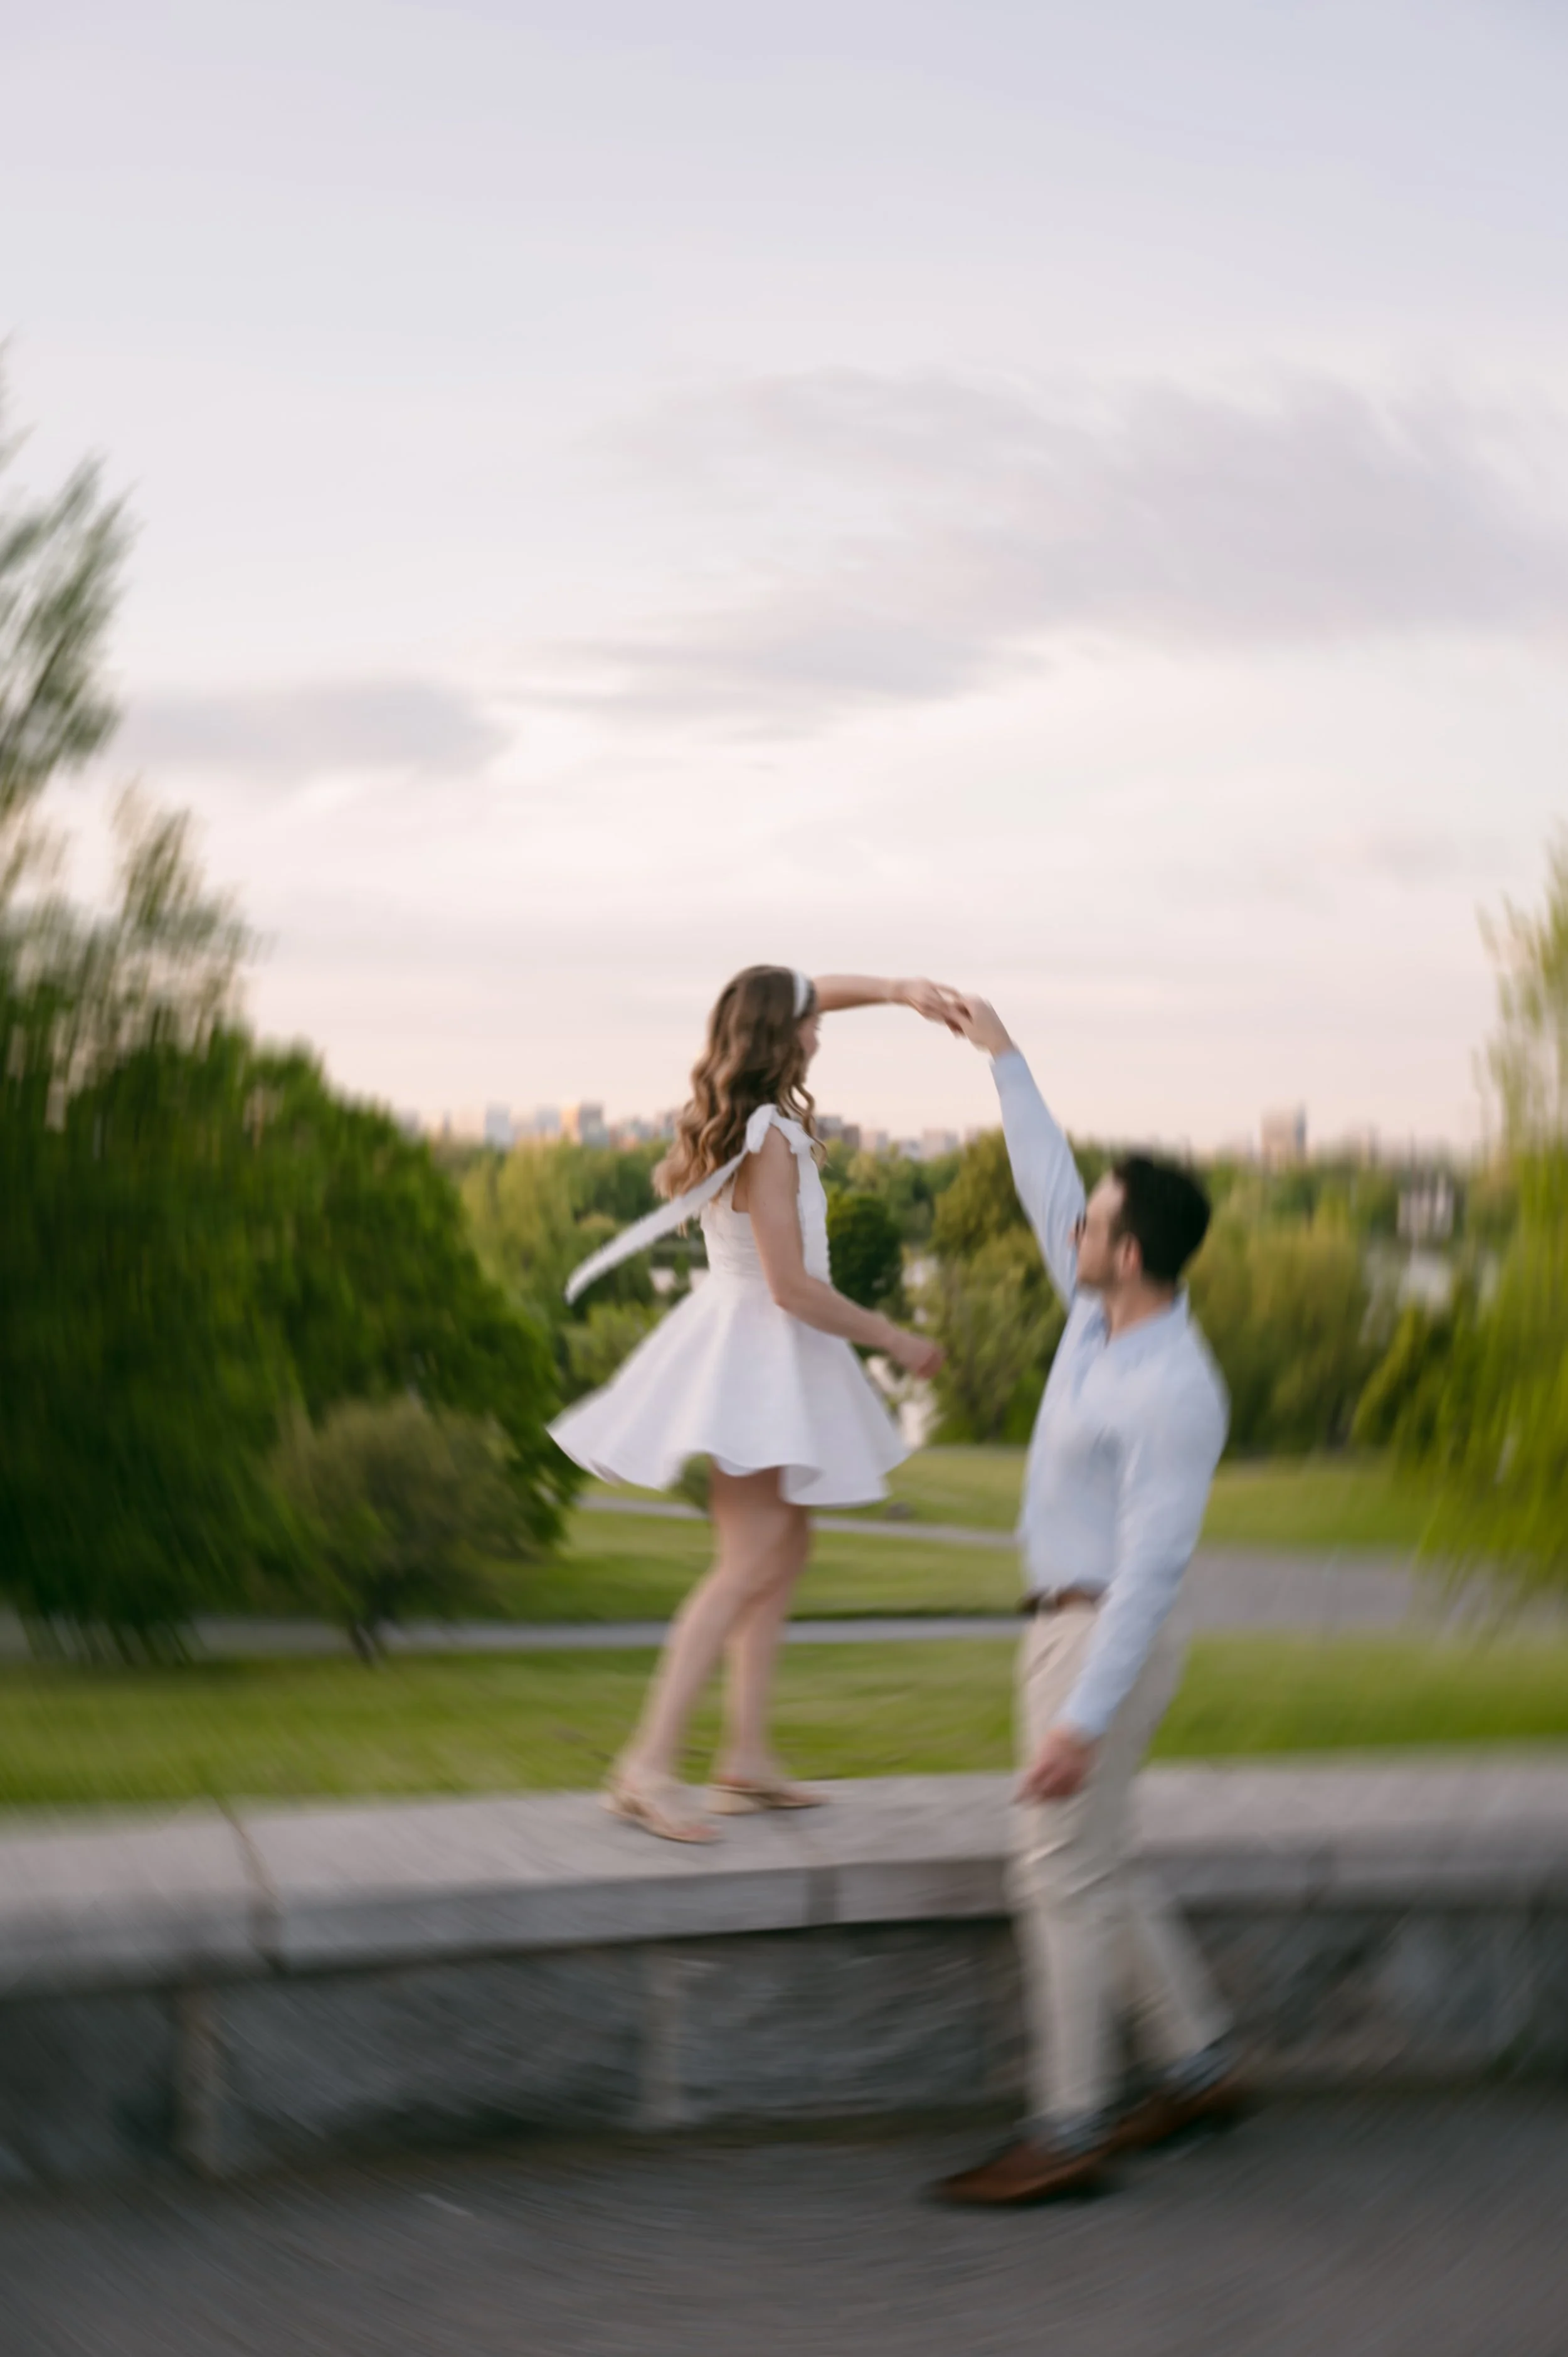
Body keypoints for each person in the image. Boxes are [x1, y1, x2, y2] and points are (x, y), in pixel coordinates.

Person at [933, 996, 1245, 2206]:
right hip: (1066, 1632)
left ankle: (1066, 2131)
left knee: (1053, 1877)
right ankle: (1201, 2062)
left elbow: (1156, 1570)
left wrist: (1080, 1722)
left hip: (1099, 1639)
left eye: (1098, 1223)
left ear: (1133, 1254)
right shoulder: (1095, 1313)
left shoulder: (1178, 1391)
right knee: (1101, 1869)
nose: (1077, 1228)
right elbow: (1049, 1183)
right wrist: (1006, 1058)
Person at [549, 965, 951, 1844]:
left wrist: (896, 991)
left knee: (784, 1544)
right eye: (810, 1025)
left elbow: (799, 984)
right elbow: (791, 1289)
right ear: (781, 1038)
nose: (820, 1033)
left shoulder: (762, 1123)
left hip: (760, 1355)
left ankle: (746, 1759)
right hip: (756, 1356)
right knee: (746, 1563)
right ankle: (645, 1768)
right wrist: (895, 1338)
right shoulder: (768, 1137)